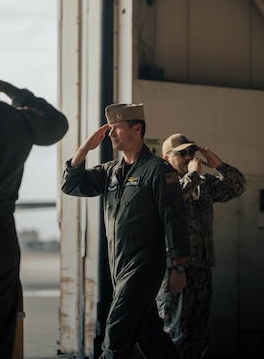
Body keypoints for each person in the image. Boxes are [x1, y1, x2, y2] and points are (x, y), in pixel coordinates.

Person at [61, 103, 190, 359]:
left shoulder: (158, 170)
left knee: (116, 334)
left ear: (137, 128)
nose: (111, 134)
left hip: (144, 265)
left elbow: (174, 218)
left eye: (117, 128)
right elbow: (72, 185)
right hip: (119, 265)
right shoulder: (110, 171)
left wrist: (179, 267)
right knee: (148, 331)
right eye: (110, 129)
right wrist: (84, 149)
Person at [156, 133, 246, 359]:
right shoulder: (162, 181)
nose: (189, 157)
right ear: (167, 158)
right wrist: (193, 175)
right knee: (174, 333)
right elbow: (171, 202)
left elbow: (238, 186)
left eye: (191, 152)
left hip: (202, 269)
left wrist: (220, 165)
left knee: (199, 334)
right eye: (182, 153)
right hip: (175, 270)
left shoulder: (204, 184)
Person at [0, 78, 68, 358]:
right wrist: (9, 90)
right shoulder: (14, 118)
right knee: (3, 321)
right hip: (0, 236)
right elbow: (57, 124)